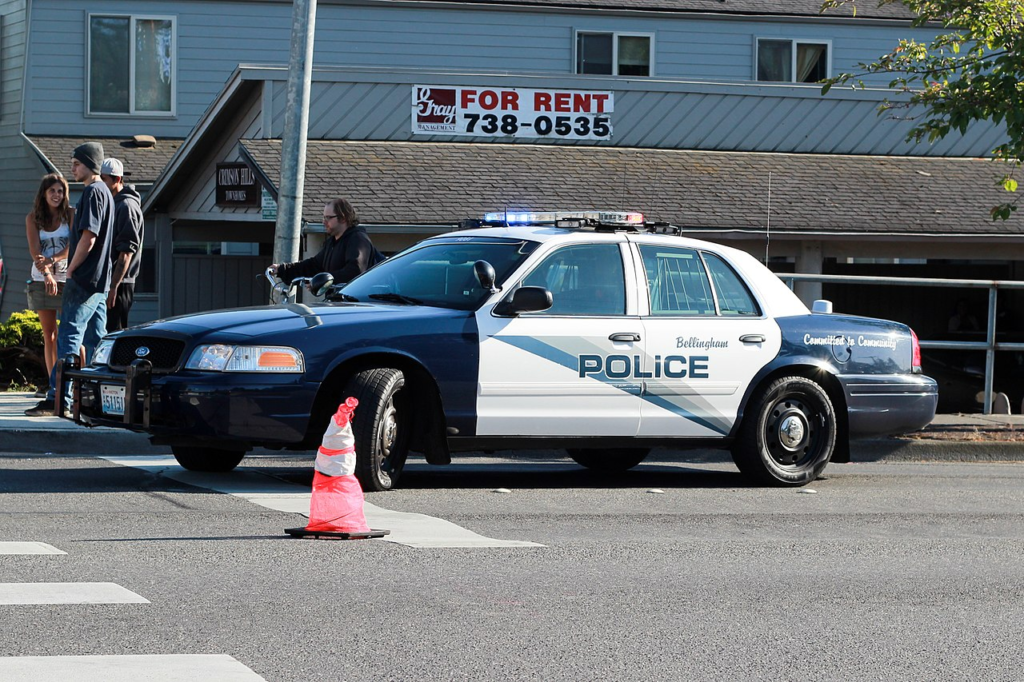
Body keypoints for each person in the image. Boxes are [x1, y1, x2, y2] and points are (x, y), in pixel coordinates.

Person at [25, 142, 115, 416]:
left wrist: (72, 269)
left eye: (76, 163)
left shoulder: (91, 192)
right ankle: (97, 398)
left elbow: (88, 238)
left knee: (68, 337)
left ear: (89, 164)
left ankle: (58, 399)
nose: (72, 168)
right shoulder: (107, 193)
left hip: (85, 278)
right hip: (101, 280)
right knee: (97, 340)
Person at [24, 174, 73, 396]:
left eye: (60, 191)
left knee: (71, 331)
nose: (56, 195)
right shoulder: (33, 218)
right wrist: (46, 274)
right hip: (41, 279)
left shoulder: (70, 215)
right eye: (52, 191)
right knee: (50, 333)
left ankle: (74, 382)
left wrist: (53, 260)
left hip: (68, 278)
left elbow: (74, 246)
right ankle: (55, 383)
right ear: (44, 194)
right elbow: (35, 250)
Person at [270, 198, 378, 286]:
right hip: (336, 303)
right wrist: (282, 269)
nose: (324, 222)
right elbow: (314, 265)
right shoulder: (332, 242)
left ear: (343, 218)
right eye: (324, 217)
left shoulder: (357, 239)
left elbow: (355, 271)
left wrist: (323, 280)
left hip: (354, 306)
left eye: (329, 218)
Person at [100, 158, 144, 332]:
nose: (101, 184)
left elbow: (126, 252)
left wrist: (113, 287)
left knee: (114, 333)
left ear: (117, 180)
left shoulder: (126, 206)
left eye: (104, 179)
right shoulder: (112, 203)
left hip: (121, 282)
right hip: (109, 281)